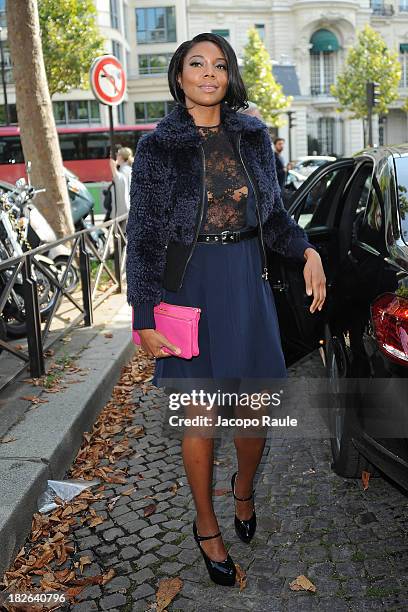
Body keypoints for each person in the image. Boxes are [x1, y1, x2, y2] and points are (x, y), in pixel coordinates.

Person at [126, 32, 326, 587]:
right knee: (200, 415)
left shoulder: (253, 136)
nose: (209, 73)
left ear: (229, 75)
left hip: (246, 281)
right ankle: (206, 523)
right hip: (187, 288)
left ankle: (243, 489)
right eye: (197, 63)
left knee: (254, 411)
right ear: (180, 76)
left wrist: (307, 249)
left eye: (219, 64)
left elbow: (275, 216)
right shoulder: (157, 147)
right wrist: (143, 312)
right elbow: (142, 235)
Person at [109, 146, 133, 234]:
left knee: (121, 235)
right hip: (128, 209)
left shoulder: (124, 170)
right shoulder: (129, 169)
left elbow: (120, 181)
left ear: (122, 157)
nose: (116, 156)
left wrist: (113, 168)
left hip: (123, 211)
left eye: (118, 155)